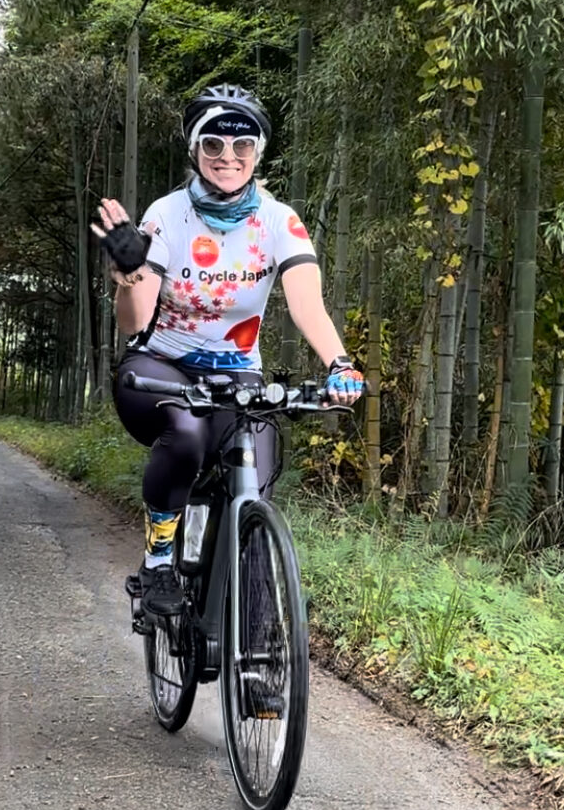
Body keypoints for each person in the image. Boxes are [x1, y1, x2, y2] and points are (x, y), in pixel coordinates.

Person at [91, 83, 365, 618]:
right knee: (187, 434)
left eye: (242, 147)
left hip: (238, 373)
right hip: (159, 368)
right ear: (195, 150)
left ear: (258, 154)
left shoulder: (279, 221)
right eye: (213, 144)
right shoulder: (167, 216)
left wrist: (340, 363)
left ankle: (263, 673)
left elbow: (309, 307)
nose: (228, 157)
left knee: (255, 492)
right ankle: (159, 562)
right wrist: (128, 275)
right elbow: (137, 322)